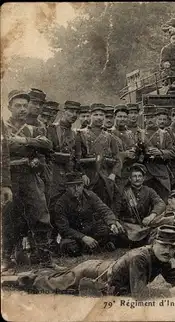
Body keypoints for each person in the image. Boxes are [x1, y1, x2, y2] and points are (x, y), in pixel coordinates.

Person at [7, 225, 175, 298]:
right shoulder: (141, 257)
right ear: (154, 243)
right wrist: (171, 293)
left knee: (58, 276)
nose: (168, 250)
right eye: (164, 245)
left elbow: (172, 274)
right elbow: (139, 294)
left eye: (172, 247)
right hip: (94, 275)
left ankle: (27, 276)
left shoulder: (160, 255)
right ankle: (16, 279)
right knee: (50, 284)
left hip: (102, 267)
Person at [2, 90, 65, 274]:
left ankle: (46, 261)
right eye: (18, 106)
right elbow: (6, 147)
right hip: (10, 177)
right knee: (9, 217)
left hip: (30, 176)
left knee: (40, 215)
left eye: (24, 105)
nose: (22, 109)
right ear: (9, 108)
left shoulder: (35, 128)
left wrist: (23, 140)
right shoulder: (3, 127)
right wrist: (32, 144)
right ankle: (6, 260)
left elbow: (47, 146)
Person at [53, 172, 125, 256]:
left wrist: (112, 223)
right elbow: (64, 229)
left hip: (90, 229)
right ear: (67, 188)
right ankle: (95, 247)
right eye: (72, 186)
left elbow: (103, 209)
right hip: (74, 234)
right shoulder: (61, 203)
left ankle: (94, 246)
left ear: (83, 185)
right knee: (70, 247)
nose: (76, 189)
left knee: (106, 230)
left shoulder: (90, 195)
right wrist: (83, 237)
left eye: (79, 185)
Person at [75, 103, 121, 210]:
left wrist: (113, 174)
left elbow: (117, 159)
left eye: (101, 115)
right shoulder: (81, 134)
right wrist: (82, 174)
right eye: (96, 114)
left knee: (106, 205)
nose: (99, 118)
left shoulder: (110, 137)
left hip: (105, 177)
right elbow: (76, 157)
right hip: (88, 177)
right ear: (90, 115)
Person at [115, 163, 167, 245]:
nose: (137, 179)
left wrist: (152, 215)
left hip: (143, 226)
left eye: (139, 176)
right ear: (130, 178)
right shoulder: (123, 192)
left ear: (143, 178)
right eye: (134, 176)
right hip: (127, 225)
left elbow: (160, 203)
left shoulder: (149, 191)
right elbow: (115, 211)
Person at [136, 105, 175, 199]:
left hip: (161, 173)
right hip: (146, 173)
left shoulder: (165, 134)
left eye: (152, 117)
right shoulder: (139, 134)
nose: (149, 120)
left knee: (164, 200)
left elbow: (172, 153)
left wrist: (160, 152)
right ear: (144, 119)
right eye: (146, 117)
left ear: (156, 118)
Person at [46, 100, 81, 205]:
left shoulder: (76, 134)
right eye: (71, 111)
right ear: (63, 112)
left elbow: (77, 157)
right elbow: (47, 153)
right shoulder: (51, 129)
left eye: (76, 112)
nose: (74, 115)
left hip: (69, 175)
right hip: (53, 174)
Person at [110, 104, 137, 191]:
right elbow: (109, 153)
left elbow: (133, 147)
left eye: (125, 117)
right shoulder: (109, 133)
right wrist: (125, 154)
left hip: (129, 172)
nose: (122, 119)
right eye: (120, 116)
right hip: (116, 172)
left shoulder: (130, 133)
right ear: (115, 117)